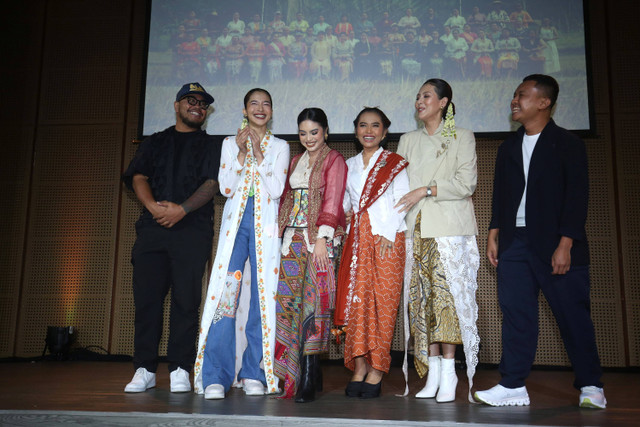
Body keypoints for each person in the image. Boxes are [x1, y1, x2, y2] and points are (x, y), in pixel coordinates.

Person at [474, 74, 606, 409]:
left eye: (522, 95)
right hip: (513, 243)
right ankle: (513, 385)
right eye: (515, 95)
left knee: (572, 316)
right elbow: (501, 195)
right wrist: (494, 232)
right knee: (517, 314)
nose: (514, 101)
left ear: (544, 102)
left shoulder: (568, 143)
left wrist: (566, 244)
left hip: (555, 243)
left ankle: (591, 386)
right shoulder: (508, 146)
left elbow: (577, 197)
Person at [122, 83, 219, 394]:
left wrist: (182, 209)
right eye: (191, 101)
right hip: (152, 231)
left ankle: (180, 368)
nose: (197, 107)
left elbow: (213, 183)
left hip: (192, 232)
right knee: (147, 301)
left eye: (203, 104)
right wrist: (152, 207)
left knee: (187, 302)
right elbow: (138, 175)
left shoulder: (213, 145)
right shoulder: (155, 141)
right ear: (177, 105)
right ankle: (144, 368)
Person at [194, 88, 290, 400]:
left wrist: (259, 154)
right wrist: (238, 153)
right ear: (245, 109)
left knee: (262, 299)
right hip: (235, 229)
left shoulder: (280, 146)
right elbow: (224, 187)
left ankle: (254, 372)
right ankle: (216, 376)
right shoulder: (228, 143)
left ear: (271, 111)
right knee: (227, 297)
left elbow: (276, 190)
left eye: (266, 104)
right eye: (254, 103)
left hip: (265, 230)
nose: (260, 109)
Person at [396, 79, 480, 403]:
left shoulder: (462, 136)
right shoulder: (407, 139)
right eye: (417, 96)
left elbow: (466, 183)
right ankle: (431, 372)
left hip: (448, 231)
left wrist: (426, 189)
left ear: (443, 102)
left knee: (447, 302)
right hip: (414, 228)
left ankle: (450, 372)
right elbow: (397, 184)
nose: (420, 101)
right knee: (421, 302)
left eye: (426, 96)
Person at [336, 107, 409, 399]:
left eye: (375, 126)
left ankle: (378, 368)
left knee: (383, 304)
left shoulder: (394, 163)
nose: (369, 130)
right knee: (358, 305)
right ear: (356, 131)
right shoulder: (347, 165)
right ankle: (361, 366)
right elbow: (343, 204)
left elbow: (402, 200)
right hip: (358, 241)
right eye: (363, 125)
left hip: (387, 239)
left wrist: (388, 234)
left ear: (385, 131)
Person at [275, 108, 347, 403]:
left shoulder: (335, 159)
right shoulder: (295, 160)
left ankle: (308, 371)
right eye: (303, 133)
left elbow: (333, 198)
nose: (308, 138)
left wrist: (322, 238)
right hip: (292, 237)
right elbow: (286, 198)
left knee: (314, 304)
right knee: (289, 302)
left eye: (314, 132)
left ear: (326, 132)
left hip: (319, 239)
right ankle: (296, 372)